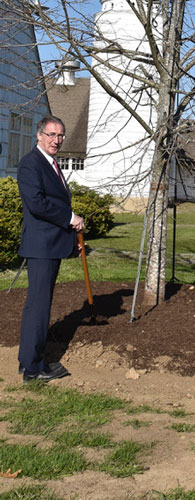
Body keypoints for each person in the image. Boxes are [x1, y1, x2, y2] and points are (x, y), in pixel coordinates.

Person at [17, 115, 85, 382]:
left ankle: (30, 362)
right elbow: (37, 204)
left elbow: (53, 203)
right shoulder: (31, 164)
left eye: (60, 136)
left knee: (39, 305)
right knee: (38, 307)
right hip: (40, 247)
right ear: (39, 135)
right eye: (51, 135)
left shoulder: (50, 163)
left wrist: (70, 237)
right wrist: (70, 219)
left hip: (51, 244)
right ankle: (33, 369)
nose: (56, 140)